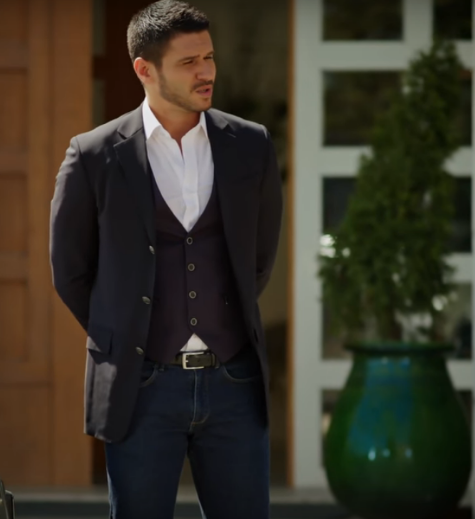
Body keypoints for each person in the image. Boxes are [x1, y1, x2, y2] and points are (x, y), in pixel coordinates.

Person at [49, 1, 283, 518]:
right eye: (189, 62)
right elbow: (70, 270)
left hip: (234, 383)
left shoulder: (250, 145)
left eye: (209, 57)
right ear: (145, 69)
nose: (206, 72)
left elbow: (259, 258)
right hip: (141, 386)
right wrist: (124, 331)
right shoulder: (93, 155)